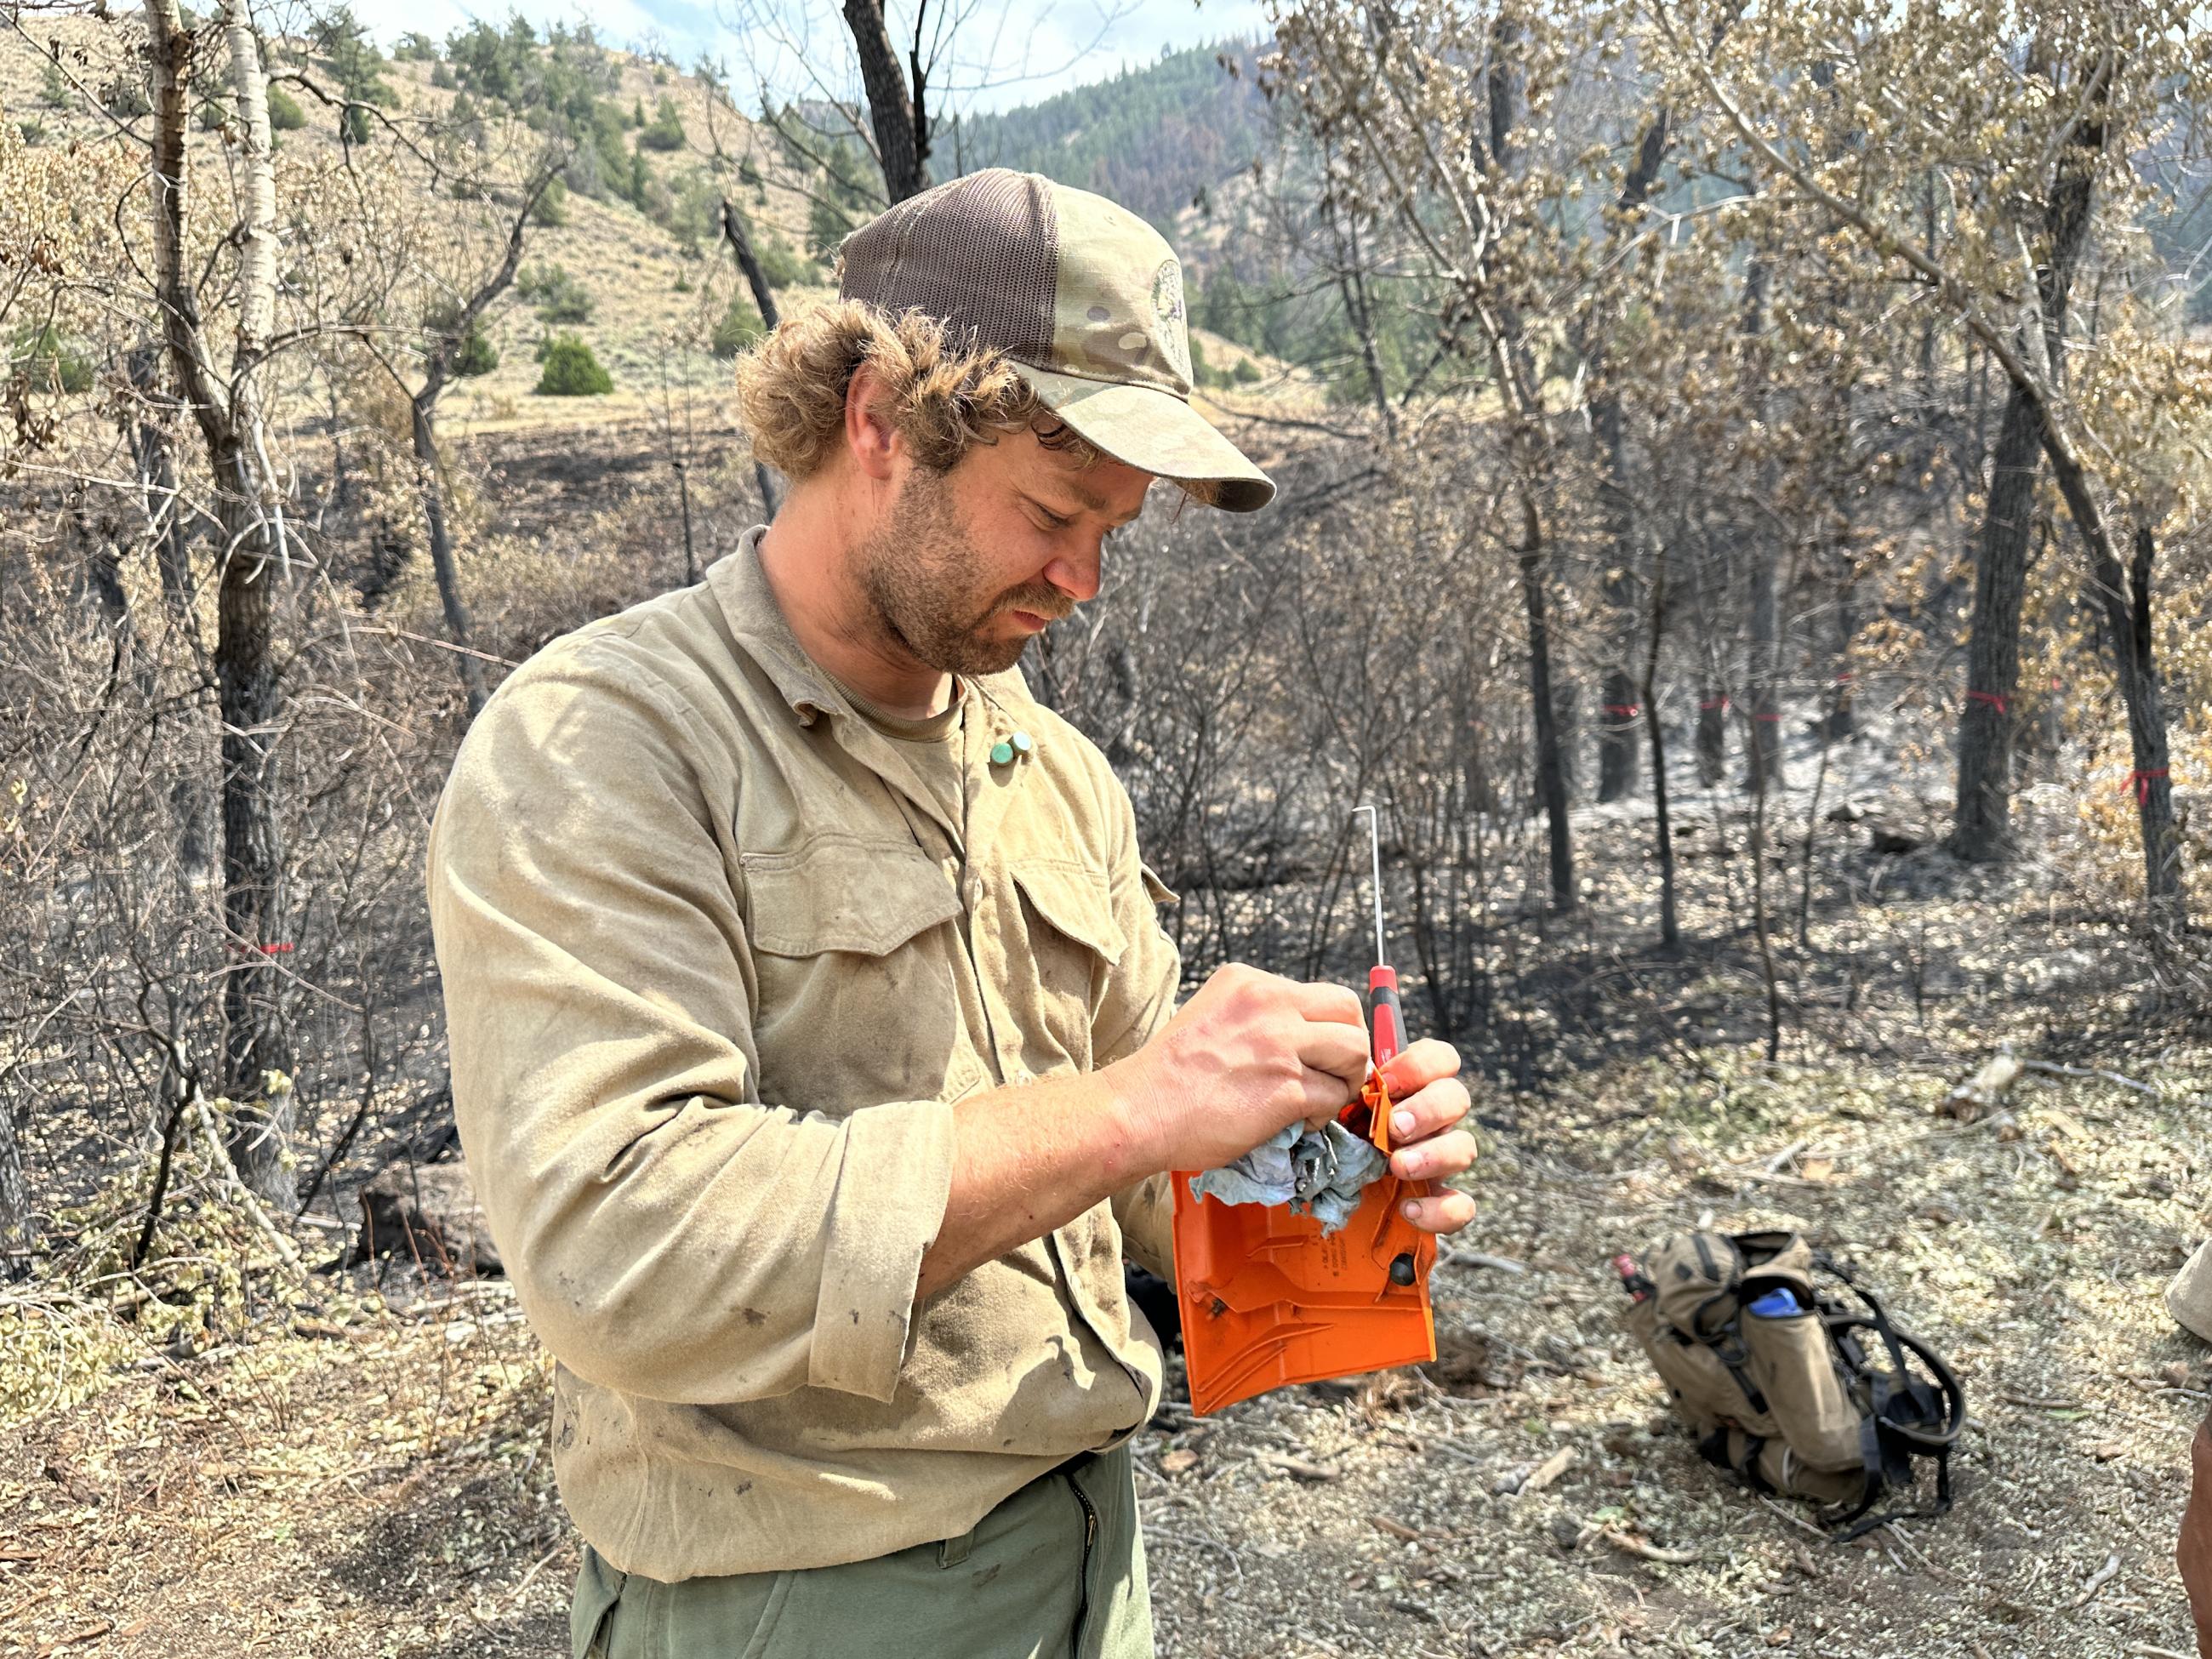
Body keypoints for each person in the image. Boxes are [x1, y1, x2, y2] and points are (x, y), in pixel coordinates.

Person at [425, 168, 1479, 1659]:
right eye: (1052, 510)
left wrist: (1345, 1169)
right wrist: (1134, 1106)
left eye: (1116, 526)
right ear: (877, 421)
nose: (1085, 576)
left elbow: (1151, 1201)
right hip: (799, 1607)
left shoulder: (1053, 771)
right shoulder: (604, 743)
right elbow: (619, 1244)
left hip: (1096, 1568)